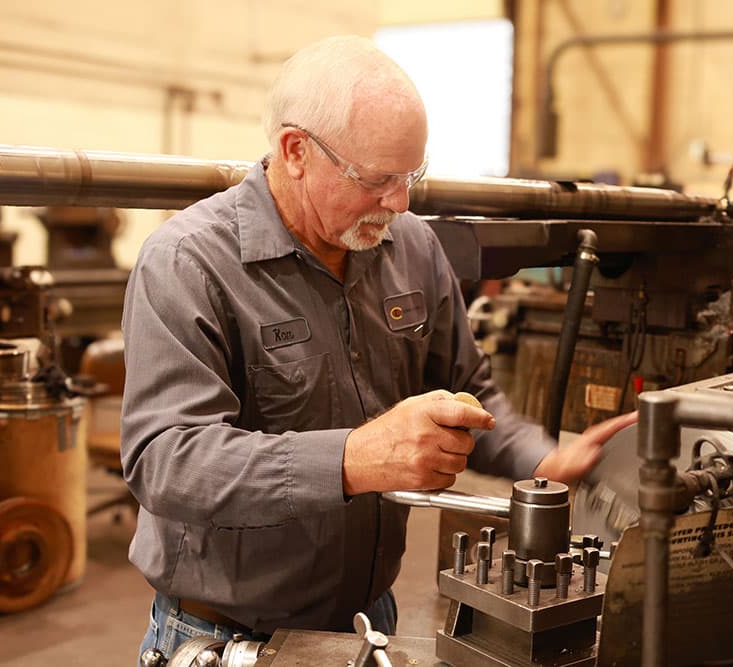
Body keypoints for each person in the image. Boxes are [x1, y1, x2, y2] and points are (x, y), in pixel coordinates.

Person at [121, 35, 618, 662]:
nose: (400, 202)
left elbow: (472, 390)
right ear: (295, 151)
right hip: (224, 636)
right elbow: (168, 460)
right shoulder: (189, 263)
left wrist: (540, 460)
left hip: (366, 619)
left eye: (412, 176)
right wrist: (354, 457)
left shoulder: (411, 247)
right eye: (377, 179)